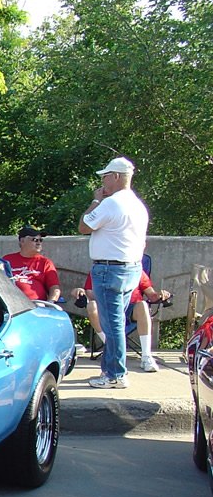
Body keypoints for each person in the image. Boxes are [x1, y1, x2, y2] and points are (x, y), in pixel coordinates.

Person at [78, 156, 148, 389]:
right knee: (115, 322)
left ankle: (115, 374)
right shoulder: (138, 205)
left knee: (112, 325)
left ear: (116, 176)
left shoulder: (111, 203)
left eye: (105, 176)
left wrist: (96, 201)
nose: (103, 181)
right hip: (131, 269)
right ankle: (111, 371)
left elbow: (84, 226)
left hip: (110, 269)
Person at [74, 270, 169, 372]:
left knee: (143, 305)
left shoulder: (136, 270)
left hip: (130, 308)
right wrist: (81, 292)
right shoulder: (99, 269)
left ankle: (146, 357)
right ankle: (112, 347)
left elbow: (152, 295)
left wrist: (160, 295)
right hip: (107, 307)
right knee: (92, 306)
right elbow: (90, 294)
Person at [3, 226, 62, 302]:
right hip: (12, 304)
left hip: (36, 305)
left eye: (41, 240)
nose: (39, 243)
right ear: (22, 241)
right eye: (35, 240)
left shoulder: (45, 262)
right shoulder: (7, 260)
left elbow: (54, 288)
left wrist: (50, 304)